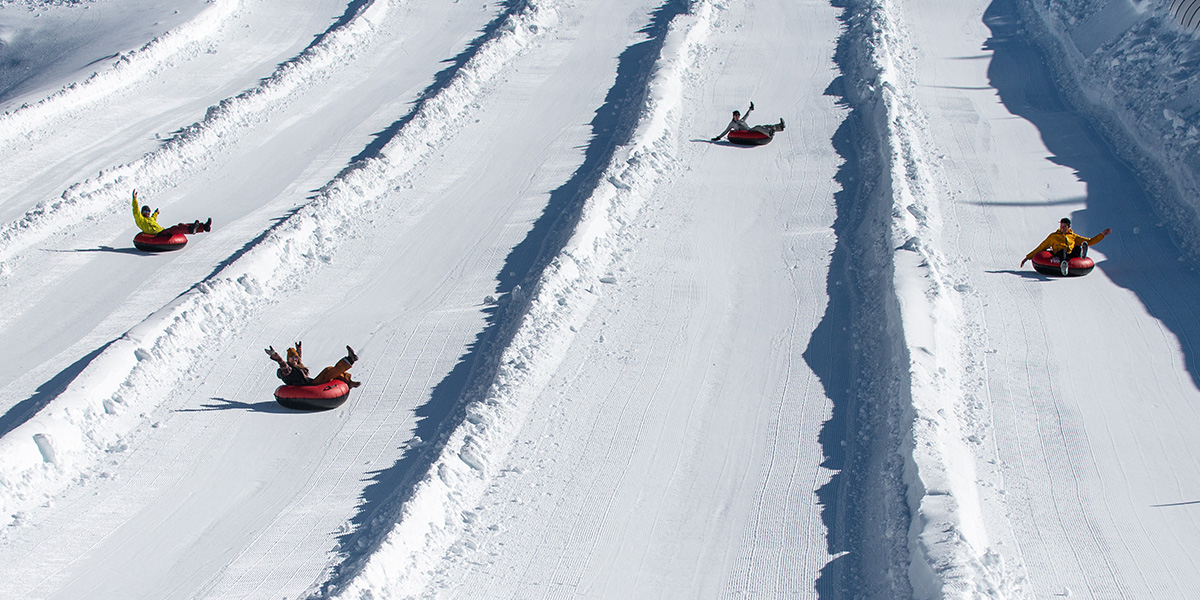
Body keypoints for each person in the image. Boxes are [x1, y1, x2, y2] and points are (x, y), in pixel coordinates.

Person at [1021, 217, 1111, 275]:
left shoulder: (1073, 236)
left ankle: (1081, 254)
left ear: (1069, 227)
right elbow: (1041, 247)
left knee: (1077, 247)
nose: (1062, 228)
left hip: (1070, 254)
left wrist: (1102, 234)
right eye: (1061, 226)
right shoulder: (1053, 236)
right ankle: (1064, 266)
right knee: (1063, 251)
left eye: (1064, 226)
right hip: (1059, 254)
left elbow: (1090, 241)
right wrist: (1027, 257)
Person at [265, 341, 361, 388]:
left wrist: (299, 351)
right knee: (328, 371)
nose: (294, 359)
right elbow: (283, 366)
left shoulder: (297, 366)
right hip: (309, 387)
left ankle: (349, 381)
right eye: (291, 357)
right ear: (287, 359)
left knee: (330, 370)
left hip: (311, 383)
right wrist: (277, 357)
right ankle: (349, 360)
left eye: (295, 357)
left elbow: (299, 361)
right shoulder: (287, 370)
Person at [132, 190, 211, 237]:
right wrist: (134, 199)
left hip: (162, 231)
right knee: (175, 228)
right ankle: (191, 229)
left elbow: (153, 217)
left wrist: (156, 213)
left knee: (180, 225)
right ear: (142, 213)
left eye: (148, 211)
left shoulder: (151, 219)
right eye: (145, 211)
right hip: (158, 235)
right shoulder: (141, 220)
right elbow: (136, 211)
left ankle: (204, 226)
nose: (147, 213)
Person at [710, 101, 785, 141]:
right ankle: (769, 132)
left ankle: (779, 127)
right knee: (758, 126)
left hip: (750, 130)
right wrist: (719, 137)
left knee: (763, 126)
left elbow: (747, 115)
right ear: (733, 116)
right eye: (736, 115)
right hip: (747, 132)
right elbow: (726, 131)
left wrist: (750, 109)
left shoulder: (741, 120)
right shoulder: (732, 124)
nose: (737, 117)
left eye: (738, 115)